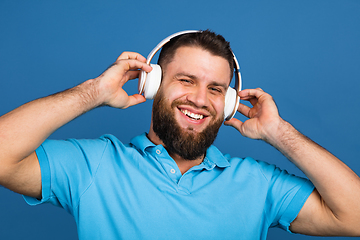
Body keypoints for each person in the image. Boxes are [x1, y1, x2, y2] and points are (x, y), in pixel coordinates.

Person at [0, 30, 359, 239]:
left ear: (230, 103)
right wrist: (94, 92)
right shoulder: (94, 164)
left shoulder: (258, 183)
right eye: (185, 80)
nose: (200, 100)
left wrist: (279, 133)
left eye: (216, 89)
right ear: (152, 83)